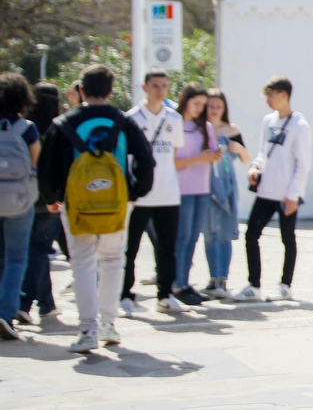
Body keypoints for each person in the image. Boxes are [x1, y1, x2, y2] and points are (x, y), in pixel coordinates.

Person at [36, 65, 156, 352]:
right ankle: (109, 324)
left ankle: (88, 329)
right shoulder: (124, 121)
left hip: (77, 204)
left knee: (83, 264)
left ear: (81, 90)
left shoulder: (63, 122)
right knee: (114, 259)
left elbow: (46, 165)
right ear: (111, 91)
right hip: (117, 202)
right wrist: (135, 192)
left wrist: (52, 196)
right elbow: (146, 160)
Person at [235, 76, 311, 302]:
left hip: (286, 195)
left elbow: (303, 164)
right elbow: (262, 152)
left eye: (272, 95)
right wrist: (255, 167)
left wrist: (293, 195)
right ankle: (254, 285)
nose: (268, 99)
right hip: (265, 191)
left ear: (284, 95)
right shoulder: (268, 121)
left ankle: (285, 286)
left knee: (287, 238)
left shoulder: (300, 125)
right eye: (267, 95)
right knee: (251, 236)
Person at [124, 70, 188, 315]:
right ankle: (125, 295)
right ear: (145, 87)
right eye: (155, 86)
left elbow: (172, 154)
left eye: (163, 86)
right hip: (139, 195)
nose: (159, 90)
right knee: (130, 248)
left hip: (168, 193)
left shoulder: (174, 118)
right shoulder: (131, 118)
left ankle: (165, 294)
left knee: (167, 247)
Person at [170, 83, 224, 307]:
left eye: (203, 105)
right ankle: (175, 284)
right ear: (185, 101)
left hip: (202, 188)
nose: (200, 109)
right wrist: (198, 159)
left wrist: (215, 156)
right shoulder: (174, 124)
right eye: (196, 104)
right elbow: (171, 162)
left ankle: (184, 283)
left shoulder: (206, 128)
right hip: (181, 190)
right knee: (181, 238)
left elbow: (210, 155)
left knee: (193, 238)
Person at [17, 82, 64, 324]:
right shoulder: (60, 127)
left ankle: (39, 303)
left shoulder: (26, 128)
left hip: (24, 198)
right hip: (52, 200)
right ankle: (36, 303)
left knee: (33, 251)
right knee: (39, 251)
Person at [0, 73, 41, 340]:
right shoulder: (27, 128)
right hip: (19, 201)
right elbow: (34, 163)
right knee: (16, 258)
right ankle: (6, 313)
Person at [200, 90, 248, 298]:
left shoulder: (231, 130)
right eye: (211, 106)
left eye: (218, 107)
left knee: (225, 232)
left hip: (225, 186)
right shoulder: (199, 129)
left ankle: (223, 278)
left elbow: (246, 159)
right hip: (204, 185)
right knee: (209, 233)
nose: (214, 110)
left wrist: (239, 149)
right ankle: (213, 278)